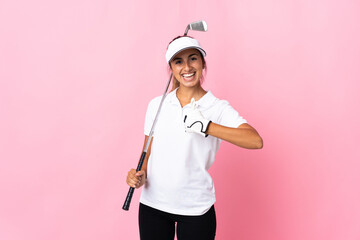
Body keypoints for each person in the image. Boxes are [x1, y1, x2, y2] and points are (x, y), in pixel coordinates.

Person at [126, 36, 263, 240]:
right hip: (153, 205)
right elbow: (148, 151)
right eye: (178, 61)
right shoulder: (157, 105)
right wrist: (139, 176)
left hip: (196, 209)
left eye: (193, 59)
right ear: (171, 67)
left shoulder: (217, 107)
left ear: (203, 63)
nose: (187, 67)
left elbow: (255, 141)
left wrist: (207, 126)